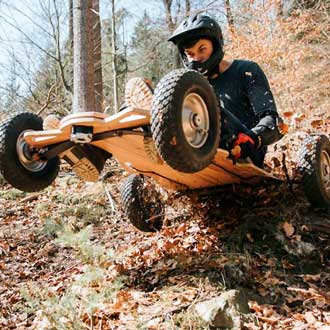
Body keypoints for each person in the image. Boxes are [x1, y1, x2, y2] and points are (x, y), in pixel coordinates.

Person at [168, 14, 284, 167]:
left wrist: (253, 138)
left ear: (216, 45)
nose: (196, 58)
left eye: (202, 49)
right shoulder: (192, 87)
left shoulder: (246, 70)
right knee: (175, 106)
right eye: (190, 54)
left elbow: (274, 123)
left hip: (245, 149)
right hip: (199, 148)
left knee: (208, 105)